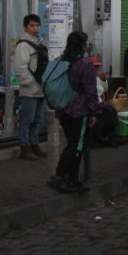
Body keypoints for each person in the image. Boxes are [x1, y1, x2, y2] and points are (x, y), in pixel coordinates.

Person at [48, 31, 101, 194]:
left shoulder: (60, 62)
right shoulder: (84, 65)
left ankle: (61, 176)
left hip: (63, 109)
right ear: (82, 46)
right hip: (79, 111)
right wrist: (94, 112)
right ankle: (68, 178)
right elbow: (90, 92)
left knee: (71, 144)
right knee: (76, 147)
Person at [11, 14, 48, 161]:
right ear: (25, 27)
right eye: (32, 25)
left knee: (37, 120)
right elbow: (20, 68)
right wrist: (31, 83)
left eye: (37, 25)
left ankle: (34, 145)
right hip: (29, 90)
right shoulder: (23, 45)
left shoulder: (39, 43)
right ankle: (24, 148)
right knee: (27, 120)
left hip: (40, 89)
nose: (35, 28)